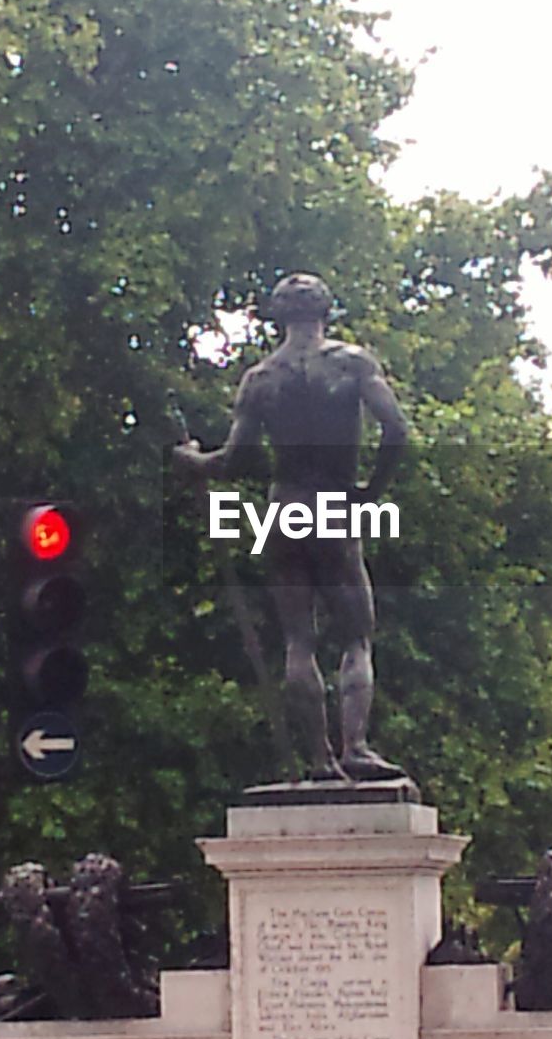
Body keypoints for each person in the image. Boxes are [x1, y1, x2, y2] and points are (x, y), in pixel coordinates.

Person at [174, 272, 409, 782]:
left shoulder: (261, 378)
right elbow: (397, 429)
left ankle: (320, 758)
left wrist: (193, 460)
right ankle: (355, 746)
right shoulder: (352, 363)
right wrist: (370, 492)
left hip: (283, 511)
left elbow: (233, 459)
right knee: (356, 638)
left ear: (279, 315)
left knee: (298, 642)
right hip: (334, 504)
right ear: (326, 310)